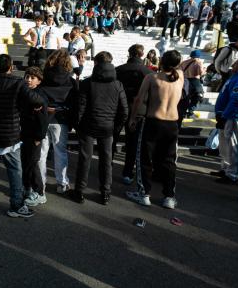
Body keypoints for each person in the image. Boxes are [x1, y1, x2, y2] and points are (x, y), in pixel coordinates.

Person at [0, 54, 44, 217]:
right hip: (10, 134)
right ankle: (15, 205)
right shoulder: (18, 82)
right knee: (15, 170)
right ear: (11, 67)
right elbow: (37, 99)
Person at [126, 50, 184, 209]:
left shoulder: (152, 77)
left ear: (162, 62)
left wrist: (132, 118)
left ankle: (144, 193)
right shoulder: (180, 76)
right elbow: (179, 67)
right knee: (169, 161)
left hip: (153, 121)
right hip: (172, 123)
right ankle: (169, 197)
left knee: (145, 158)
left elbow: (138, 99)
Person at [71, 51, 128, 205]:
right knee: (106, 161)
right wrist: (115, 128)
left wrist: (77, 125)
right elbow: (124, 111)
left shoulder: (87, 83)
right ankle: (105, 193)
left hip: (88, 126)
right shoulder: (117, 84)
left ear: (96, 64)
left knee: (85, 159)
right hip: (108, 127)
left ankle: (79, 191)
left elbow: (80, 108)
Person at [38, 49, 77, 195]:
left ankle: (40, 183)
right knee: (60, 152)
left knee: (42, 153)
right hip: (61, 119)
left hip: (44, 117)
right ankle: (62, 183)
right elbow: (75, 103)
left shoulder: (44, 78)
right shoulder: (71, 81)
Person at [115, 44, 153, 184]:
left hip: (118, 107)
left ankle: (107, 166)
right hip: (139, 110)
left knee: (112, 138)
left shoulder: (118, 69)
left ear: (129, 53)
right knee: (132, 143)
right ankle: (127, 172)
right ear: (142, 54)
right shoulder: (148, 72)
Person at [20, 67, 49, 207]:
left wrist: (39, 137)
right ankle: (27, 188)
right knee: (25, 162)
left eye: (32, 78)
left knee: (33, 164)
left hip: (34, 136)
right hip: (24, 134)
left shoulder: (40, 95)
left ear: (39, 81)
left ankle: (40, 193)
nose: (29, 80)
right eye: (27, 77)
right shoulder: (26, 93)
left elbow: (43, 120)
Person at [179, 50, 206, 117]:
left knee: (185, 97)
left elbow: (180, 71)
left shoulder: (184, 62)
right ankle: (190, 111)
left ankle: (183, 112)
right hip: (194, 81)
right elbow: (201, 72)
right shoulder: (198, 62)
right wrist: (205, 71)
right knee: (197, 96)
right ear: (198, 56)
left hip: (185, 81)